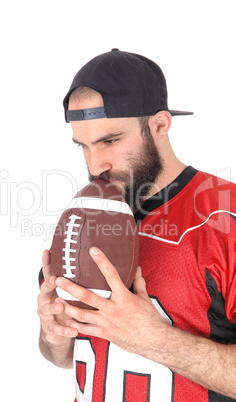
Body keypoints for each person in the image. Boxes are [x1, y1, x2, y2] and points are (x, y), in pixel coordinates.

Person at [37, 49, 236, 401]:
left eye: (110, 141)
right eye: (82, 146)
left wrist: (158, 341)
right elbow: (65, 356)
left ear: (160, 124)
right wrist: (54, 336)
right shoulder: (82, 218)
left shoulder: (225, 216)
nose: (95, 164)